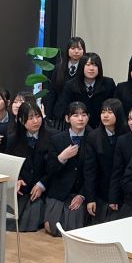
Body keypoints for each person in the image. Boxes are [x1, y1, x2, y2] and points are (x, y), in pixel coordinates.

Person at [40, 101, 90, 235]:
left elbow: (94, 173)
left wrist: (82, 195)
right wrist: (61, 158)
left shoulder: (93, 137)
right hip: (59, 191)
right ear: (67, 118)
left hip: (81, 191)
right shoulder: (57, 139)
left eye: (84, 115)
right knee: (51, 228)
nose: (80, 119)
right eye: (76, 115)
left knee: (73, 229)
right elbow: (50, 170)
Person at [7, 101, 51, 232]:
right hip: (23, 188)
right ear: (21, 120)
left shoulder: (52, 137)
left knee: (34, 214)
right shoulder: (13, 138)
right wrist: (17, 178)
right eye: (31, 118)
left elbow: (54, 168)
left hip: (44, 187)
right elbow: (9, 163)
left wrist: (42, 184)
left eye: (38, 116)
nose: (36, 121)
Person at [82, 98, 127, 224]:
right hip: (102, 190)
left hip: (124, 189)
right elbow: (90, 171)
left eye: (110, 112)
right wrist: (91, 198)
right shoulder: (94, 136)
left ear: (118, 114)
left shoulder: (127, 134)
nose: (105, 115)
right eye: (103, 112)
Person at [56, 52, 114, 128]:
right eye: (88, 65)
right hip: (77, 127)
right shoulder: (70, 85)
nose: (91, 68)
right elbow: (63, 108)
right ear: (81, 66)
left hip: (102, 127)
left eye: (95, 65)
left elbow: (114, 107)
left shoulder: (108, 83)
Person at [45, 36, 85, 122]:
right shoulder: (59, 68)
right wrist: (48, 115)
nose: (76, 51)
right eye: (73, 48)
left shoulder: (86, 69)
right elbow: (52, 92)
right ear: (67, 50)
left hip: (79, 114)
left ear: (84, 51)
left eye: (79, 49)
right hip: (60, 113)